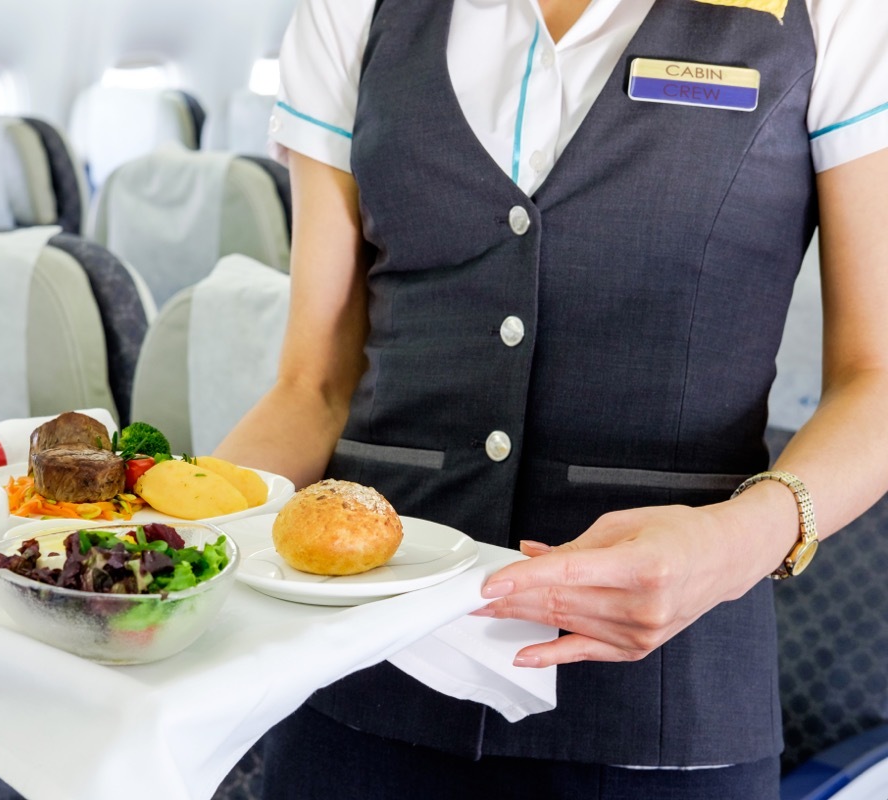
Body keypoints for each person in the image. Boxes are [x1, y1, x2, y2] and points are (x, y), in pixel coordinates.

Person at [212, 0, 888, 797]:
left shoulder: (840, 14)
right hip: (355, 682)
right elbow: (311, 385)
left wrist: (743, 539)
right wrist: (164, 544)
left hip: (663, 707)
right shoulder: (351, 11)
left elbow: (874, 378)